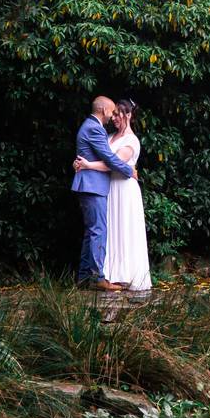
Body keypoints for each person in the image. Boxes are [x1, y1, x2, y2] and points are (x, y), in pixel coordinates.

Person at [73, 99, 152, 291]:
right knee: (102, 231)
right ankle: (104, 274)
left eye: (118, 114)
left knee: (120, 230)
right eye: (113, 113)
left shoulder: (131, 140)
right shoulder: (105, 134)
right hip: (108, 187)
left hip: (124, 190)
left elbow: (111, 161)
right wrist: (85, 164)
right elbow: (104, 158)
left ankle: (123, 274)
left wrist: (88, 165)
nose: (114, 117)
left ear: (128, 115)